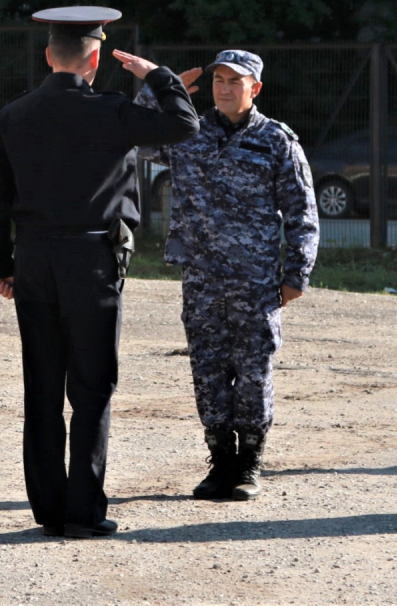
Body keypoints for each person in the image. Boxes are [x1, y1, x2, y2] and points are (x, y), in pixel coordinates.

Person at [0, 6, 200, 538]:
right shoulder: (112, 110)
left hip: (34, 259)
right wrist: (157, 75)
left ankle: (49, 509)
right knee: (92, 388)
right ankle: (83, 512)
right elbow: (183, 124)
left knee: (43, 386)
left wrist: (1, 264)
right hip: (93, 260)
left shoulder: (15, 114)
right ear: (96, 58)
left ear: (47, 55)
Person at [136, 49, 319, 501]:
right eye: (219, 79)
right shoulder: (188, 132)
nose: (224, 87)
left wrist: (296, 273)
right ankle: (219, 461)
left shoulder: (277, 141)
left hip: (255, 280)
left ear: (254, 89)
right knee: (208, 370)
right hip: (201, 276)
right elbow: (132, 136)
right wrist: (157, 88)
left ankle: (248, 463)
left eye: (235, 81)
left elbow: (302, 211)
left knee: (254, 371)